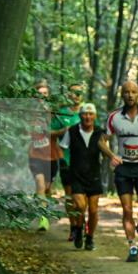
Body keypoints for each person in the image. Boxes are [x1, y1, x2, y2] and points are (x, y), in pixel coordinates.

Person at [99, 81, 138, 262]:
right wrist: (111, 155)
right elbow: (102, 140)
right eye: (126, 92)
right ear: (122, 95)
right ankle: (132, 246)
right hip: (123, 168)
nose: (130, 95)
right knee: (126, 209)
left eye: (133, 92)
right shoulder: (114, 117)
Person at [60, 103, 104, 251]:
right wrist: (63, 163)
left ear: (95, 116)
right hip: (76, 174)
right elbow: (62, 148)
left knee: (93, 210)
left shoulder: (100, 132)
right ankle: (78, 229)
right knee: (80, 206)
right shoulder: (72, 131)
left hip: (94, 175)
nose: (88, 117)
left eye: (91, 114)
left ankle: (90, 237)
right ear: (80, 116)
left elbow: (105, 150)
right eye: (85, 114)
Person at [51, 82, 85, 242]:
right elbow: (49, 133)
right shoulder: (62, 113)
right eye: (73, 92)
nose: (76, 95)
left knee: (83, 197)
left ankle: (81, 225)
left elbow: (98, 135)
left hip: (85, 162)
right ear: (68, 95)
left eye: (79, 92)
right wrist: (62, 131)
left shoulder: (88, 112)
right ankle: (73, 227)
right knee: (70, 196)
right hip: (67, 160)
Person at [28, 80, 57, 231]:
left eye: (45, 94)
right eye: (39, 94)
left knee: (47, 189)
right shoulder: (29, 114)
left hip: (52, 156)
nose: (42, 97)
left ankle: (44, 207)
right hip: (35, 155)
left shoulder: (54, 113)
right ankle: (43, 219)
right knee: (40, 184)